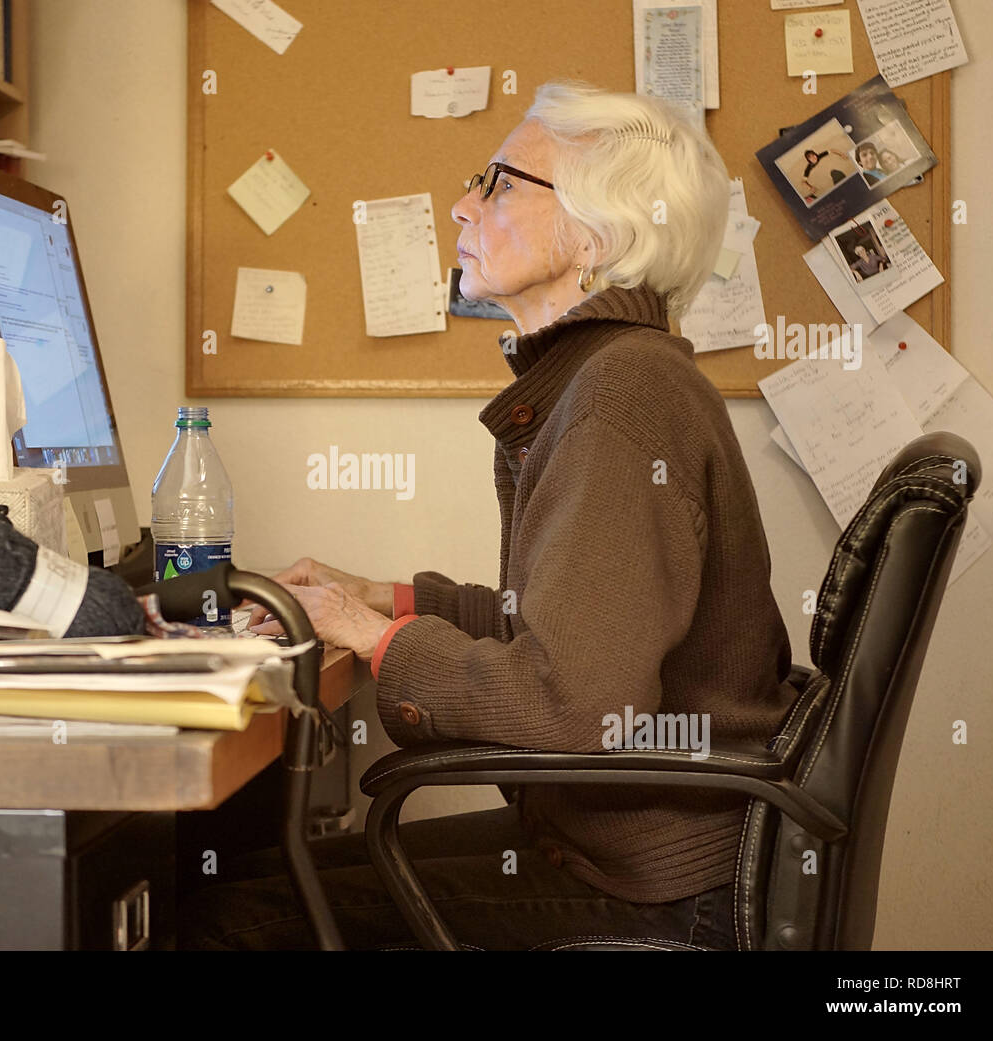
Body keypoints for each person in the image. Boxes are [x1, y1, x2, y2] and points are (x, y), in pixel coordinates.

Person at [178, 80, 798, 951]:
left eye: (502, 182)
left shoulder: (621, 393)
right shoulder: (617, 377)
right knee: (243, 874)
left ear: (598, 231)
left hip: (653, 890)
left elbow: (571, 705)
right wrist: (382, 598)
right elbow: (559, 629)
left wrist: (365, 632)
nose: (463, 203)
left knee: (214, 917)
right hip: (634, 854)